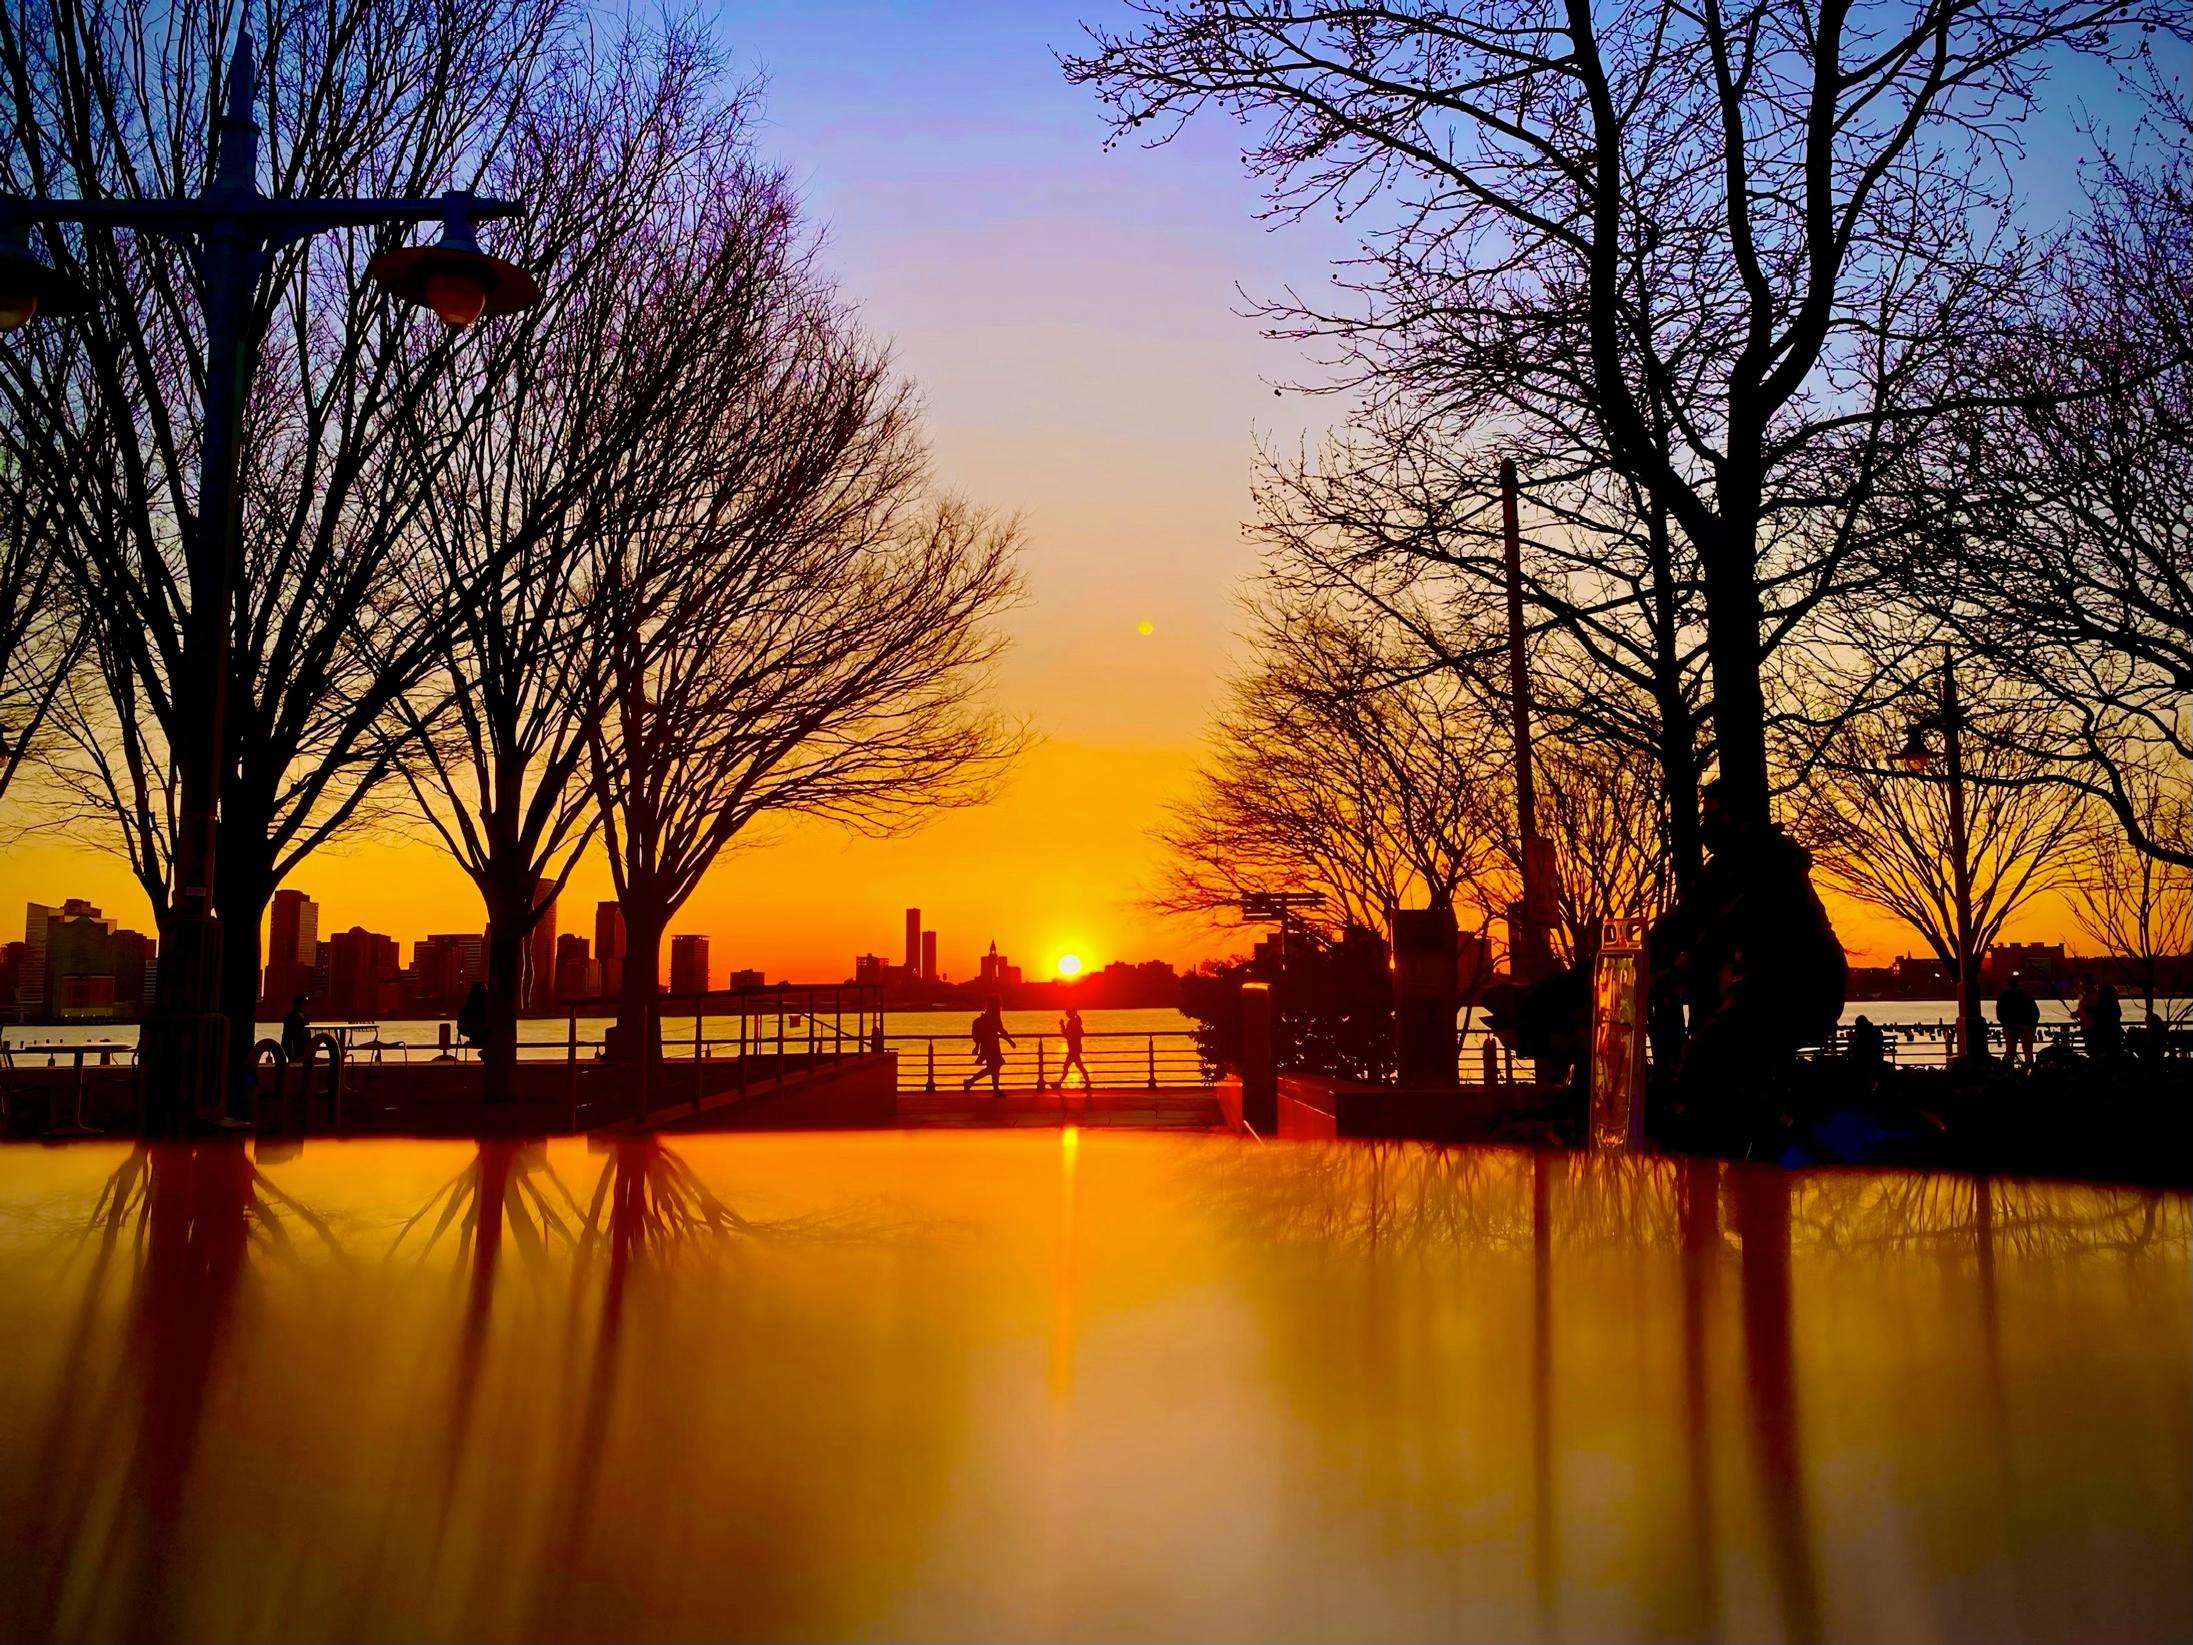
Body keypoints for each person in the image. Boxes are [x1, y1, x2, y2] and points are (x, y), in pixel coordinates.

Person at [1647, 780, 1846, 1150]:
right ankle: (1760, 1148)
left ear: (1741, 819)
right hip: (1782, 981)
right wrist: (1647, 962)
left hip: (1798, 984)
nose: (1707, 826)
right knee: (1735, 1072)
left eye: (1714, 816)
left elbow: (1721, 925)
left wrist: (1669, 971)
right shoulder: (1733, 865)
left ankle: (1726, 1163)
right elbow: (1687, 923)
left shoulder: (1764, 864)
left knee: (1702, 1059)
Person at [961, 997, 1016, 1095]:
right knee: (993, 1067)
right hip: (992, 1046)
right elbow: (1002, 1031)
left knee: (994, 1067)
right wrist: (1010, 1041)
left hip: (986, 1046)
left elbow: (977, 1036)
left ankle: (994, 1089)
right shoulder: (994, 1018)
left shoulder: (982, 1020)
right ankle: (970, 1082)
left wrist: (977, 1046)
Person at [1996, 972, 2040, 1069]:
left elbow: (2000, 1013)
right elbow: (2035, 1013)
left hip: (2010, 1028)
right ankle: (2029, 1072)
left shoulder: (2004, 996)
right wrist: (2031, 1026)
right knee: (2028, 1052)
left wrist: (2007, 1025)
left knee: (2010, 1052)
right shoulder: (2027, 996)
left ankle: (2010, 1072)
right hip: (2026, 1027)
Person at [1058, 1005, 1093, 1090]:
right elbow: (1075, 1033)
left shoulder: (1073, 1022)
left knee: (1072, 1066)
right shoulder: (1076, 1022)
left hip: (1073, 1049)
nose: (1067, 1014)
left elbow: (1066, 1034)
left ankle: (1088, 1083)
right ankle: (1059, 1083)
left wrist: (1062, 1026)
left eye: (1068, 1013)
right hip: (1074, 1048)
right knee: (1074, 1066)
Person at [457, 981, 489, 1053]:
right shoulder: (488, 1009)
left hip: (472, 1034)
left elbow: (460, 1026)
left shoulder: (466, 1009)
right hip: (487, 1037)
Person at [280, 994, 312, 1063]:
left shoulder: (299, 1016)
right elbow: (292, 1037)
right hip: (298, 1050)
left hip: (297, 1050)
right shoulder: (297, 1018)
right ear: (300, 1004)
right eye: (305, 1003)